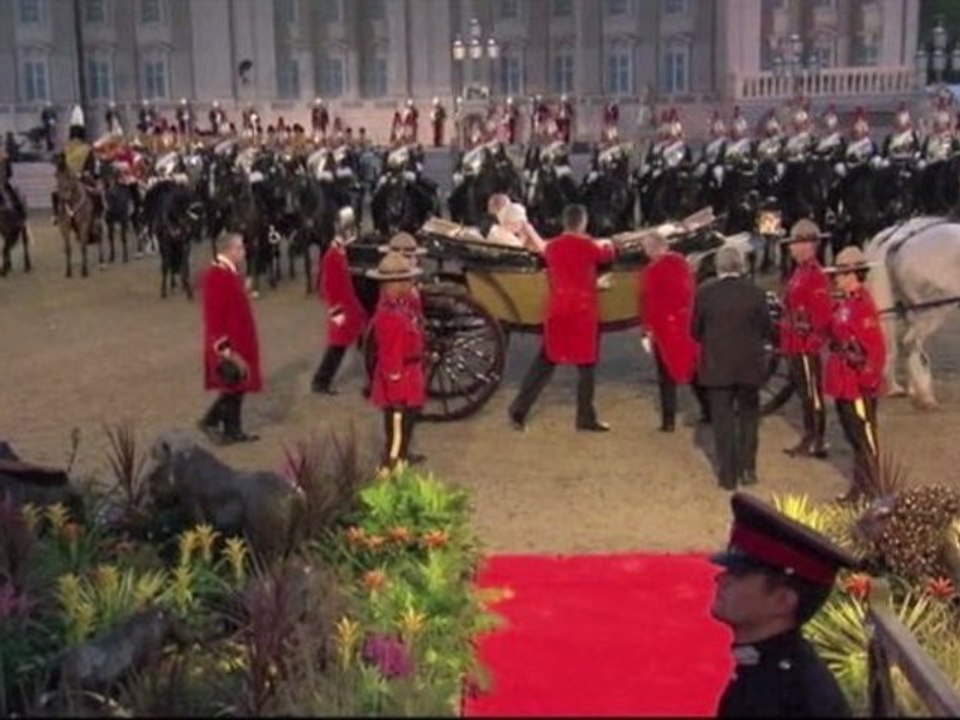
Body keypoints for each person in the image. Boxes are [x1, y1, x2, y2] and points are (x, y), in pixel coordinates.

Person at [711, 492, 855, 718]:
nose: (720, 579)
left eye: (739, 574)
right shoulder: (771, 669)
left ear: (783, 601)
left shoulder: (794, 697)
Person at [508, 204, 615, 432]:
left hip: (557, 309)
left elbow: (544, 251)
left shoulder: (553, 247)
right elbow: (607, 254)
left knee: (545, 361)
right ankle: (585, 416)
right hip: (582, 312)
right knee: (587, 367)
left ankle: (519, 409)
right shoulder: (587, 246)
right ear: (582, 222)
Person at [692, 246, 771, 489]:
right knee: (749, 418)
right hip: (749, 365)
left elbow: (694, 331)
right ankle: (748, 468)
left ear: (718, 267)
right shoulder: (756, 293)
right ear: (741, 265)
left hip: (718, 365)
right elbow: (766, 329)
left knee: (722, 420)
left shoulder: (705, 293)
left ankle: (727, 474)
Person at [823, 246, 885, 502]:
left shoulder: (862, 306)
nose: (836, 278)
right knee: (854, 436)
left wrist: (867, 379)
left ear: (851, 275)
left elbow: (876, 349)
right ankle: (860, 488)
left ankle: (873, 491)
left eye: (840, 274)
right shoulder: (847, 302)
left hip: (856, 382)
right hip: (843, 378)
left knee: (865, 438)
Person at [198, 233, 262, 445]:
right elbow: (214, 316)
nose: (243, 252)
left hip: (239, 340)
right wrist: (225, 350)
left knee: (237, 389)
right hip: (229, 344)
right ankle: (210, 421)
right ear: (229, 250)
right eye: (240, 248)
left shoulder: (228, 273)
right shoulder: (217, 275)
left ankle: (233, 430)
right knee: (232, 389)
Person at [639, 232, 705, 432]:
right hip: (685, 325)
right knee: (694, 371)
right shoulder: (683, 265)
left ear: (651, 249)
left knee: (665, 375)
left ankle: (668, 421)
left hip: (664, 329)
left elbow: (648, 303)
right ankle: (709, 410)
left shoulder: (651, 271)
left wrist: (646, 331)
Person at [367, 252, 426, 469]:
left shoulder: (399, 305)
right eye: (406, 279)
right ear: (394, 284)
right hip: (401, 382)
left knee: (406, 428)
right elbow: (390, 358)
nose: (411, 282)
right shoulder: (389, 315)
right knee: (397, 434)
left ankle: (402, 458)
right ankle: (392, 469)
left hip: (409, 376)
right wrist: (396, 392)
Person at [781, 219, 833, 459]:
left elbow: (822, 313)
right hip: (794, 341)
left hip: (805, 344)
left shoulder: (815, 275)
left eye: (794, 244)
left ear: (807, 246)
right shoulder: (800, 272)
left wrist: (813, 340)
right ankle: (810, 436)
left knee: (812, 394)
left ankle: (817, 439)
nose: (791, 249)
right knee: (805, 393)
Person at [311, 207, 369, 395]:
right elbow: (329, 287)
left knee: (355, 341)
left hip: (348, 305)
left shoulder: (340, 251)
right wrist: (337, 313)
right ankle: (320, 381)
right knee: (337, 347)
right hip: (342, 308)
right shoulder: (333, 255)